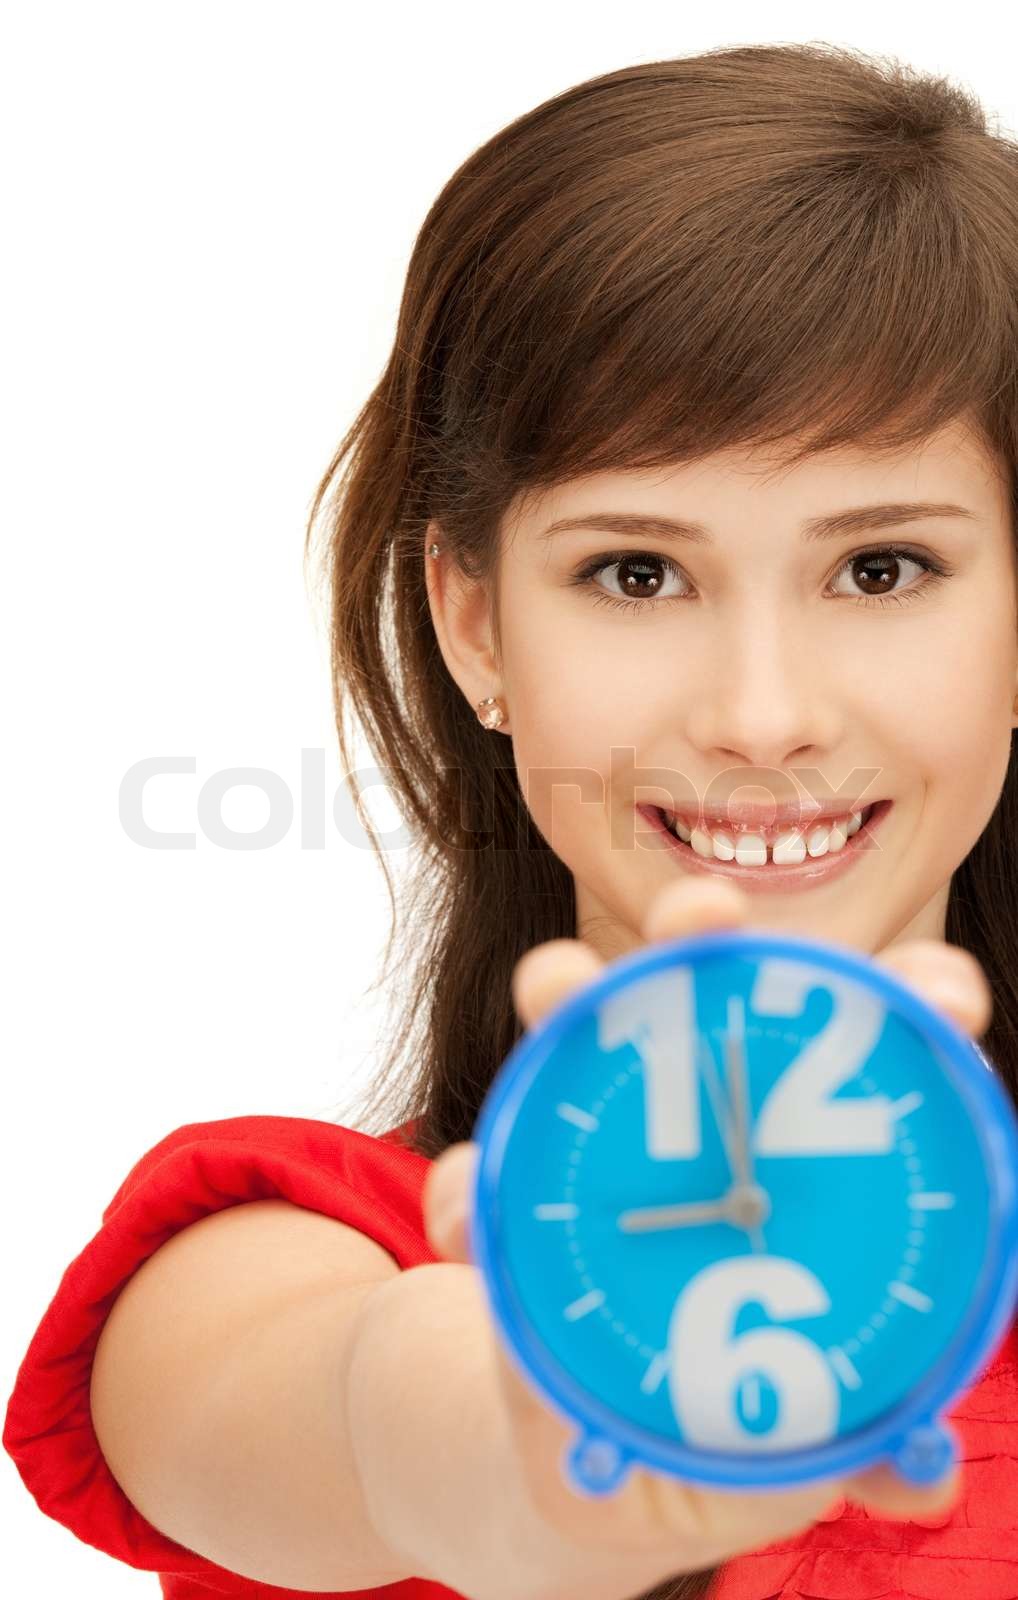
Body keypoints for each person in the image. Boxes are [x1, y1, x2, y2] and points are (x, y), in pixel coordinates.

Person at [6, 37, 1018, 1600]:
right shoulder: (268, 1274)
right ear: (476, 627)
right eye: (634, 572)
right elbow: (373, 1417)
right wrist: (537, 1449)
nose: (761, 714)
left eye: (879, 568)